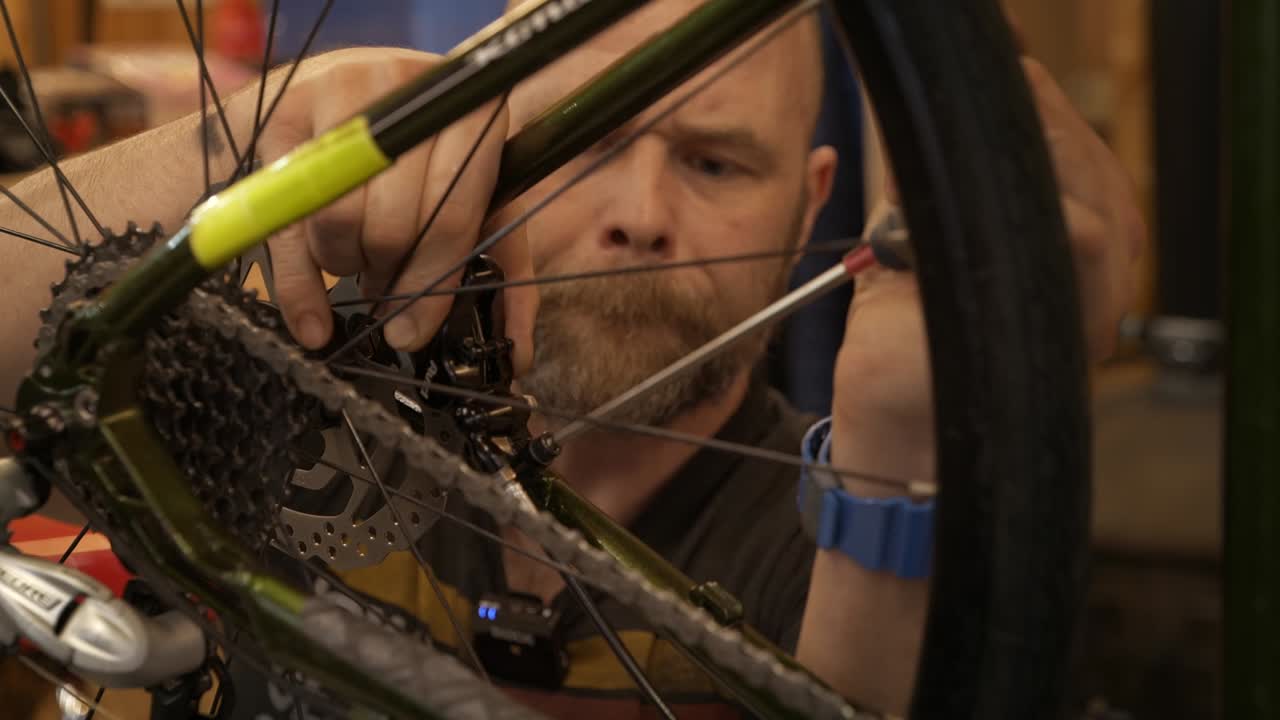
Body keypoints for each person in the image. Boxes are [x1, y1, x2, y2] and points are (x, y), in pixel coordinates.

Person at [0, 1, 1144, 718]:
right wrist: (252, 137)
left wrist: (904, 440)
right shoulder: (297, 377)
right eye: (586, 143)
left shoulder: (820, 548)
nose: (639, 214)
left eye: (714, 164)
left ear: (805, 213)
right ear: (477, 143)